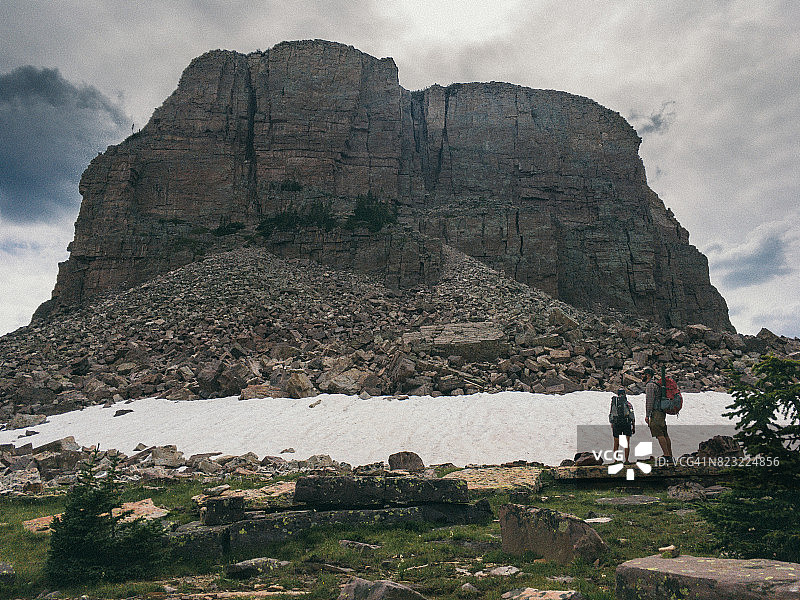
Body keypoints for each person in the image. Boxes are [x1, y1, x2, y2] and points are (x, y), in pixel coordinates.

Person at [643, 366, 673, 460]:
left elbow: (650, 401)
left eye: (643, 374)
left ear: (647, 375)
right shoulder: (657, 384)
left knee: (659, 433)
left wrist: (647, 415)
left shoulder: (650, 385)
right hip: (661, 412)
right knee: (664, 433)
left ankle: (666, 455)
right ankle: (669, 454)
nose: (641, 376)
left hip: (656, 413)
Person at [609, 388, 635, 463]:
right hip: (626, 423)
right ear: (624, 394)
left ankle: (615, 460)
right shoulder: (628, 403)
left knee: (616, 443)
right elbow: (632, 415)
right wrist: (633, 426)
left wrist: (612, 424)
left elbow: (611, 414)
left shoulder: (614, 403)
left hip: (616, 424)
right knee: (626, 443)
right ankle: (626, 460)